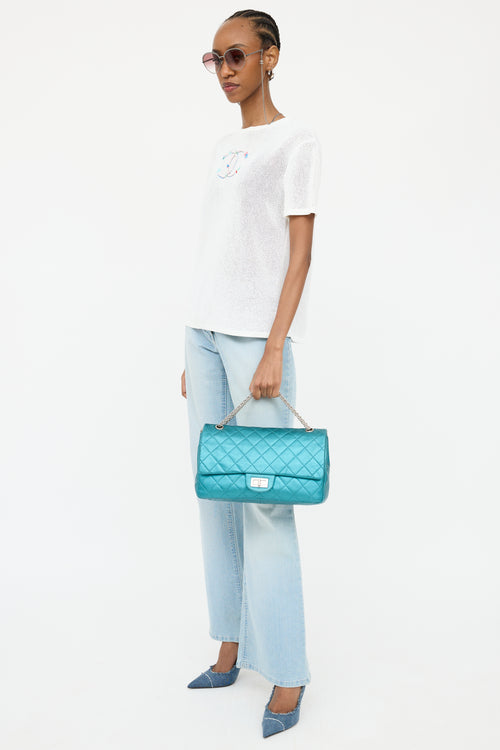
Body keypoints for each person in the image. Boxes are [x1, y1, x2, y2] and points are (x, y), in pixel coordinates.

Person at [180, 9, 322, 738]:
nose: (225, 70)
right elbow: (217, 246)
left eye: (236, 55)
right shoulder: (225, 147)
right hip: (204, 336)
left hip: (255, 342)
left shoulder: (296, 141)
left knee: (266, 503)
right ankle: (230, 645)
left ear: (270, 57)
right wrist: (191, 346)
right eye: (215, 59)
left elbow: (300, 254)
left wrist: (274, 346)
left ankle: (288, 671)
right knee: (216, 495)